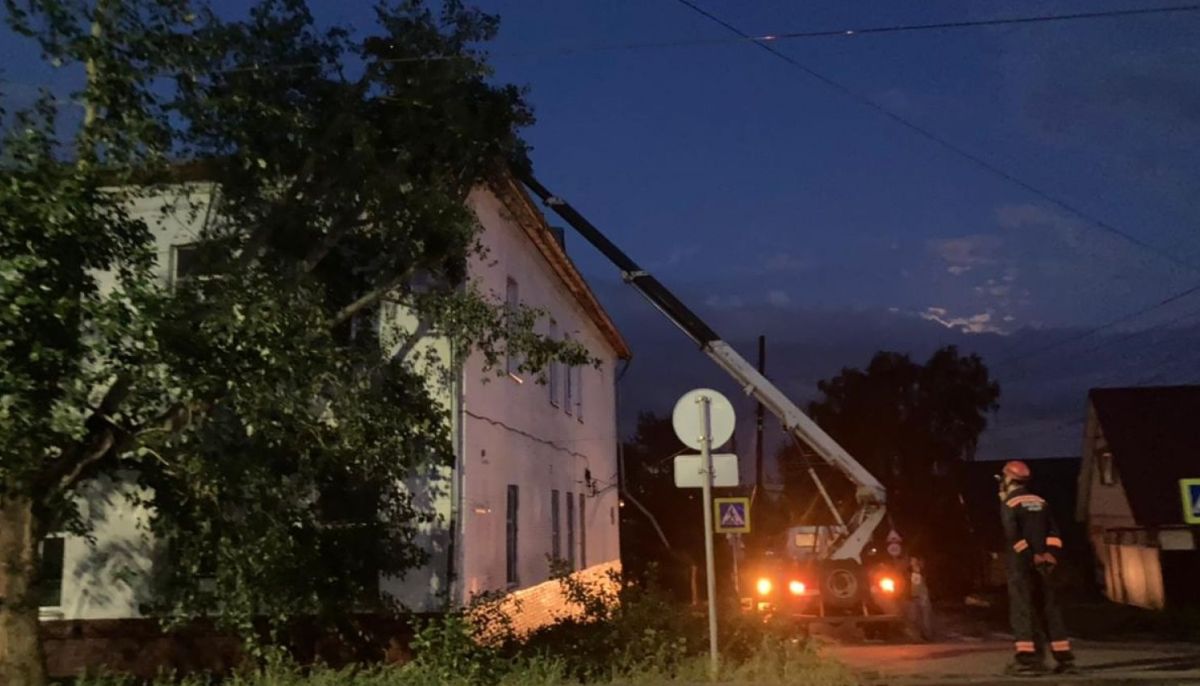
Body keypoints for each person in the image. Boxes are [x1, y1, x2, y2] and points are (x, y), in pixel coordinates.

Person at [997, 460, 1077, 675]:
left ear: (1008, 479)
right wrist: (1049, 556)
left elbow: (1013, 536)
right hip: (1046, 566)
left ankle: (1026, 660)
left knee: (1022, 610)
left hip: (1022, 567)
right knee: (1050, 609)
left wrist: (1030, 557)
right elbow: (1054, 533)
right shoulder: (1040, 502)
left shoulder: (1010, 504)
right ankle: (1064, 659)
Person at [907, 556, 934, 641]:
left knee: (925, 617)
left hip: (923, 596)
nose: (912, 561)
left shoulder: (923, 571)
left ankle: (927, 635)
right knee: (914, 617)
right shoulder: (908, 572)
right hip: (913, 596)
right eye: (911, 560)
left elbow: (926, 583)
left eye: (913, 560)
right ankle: (917, 636)